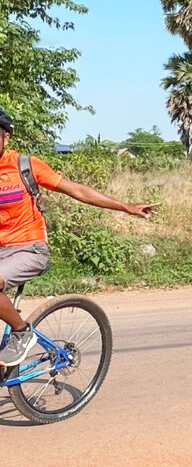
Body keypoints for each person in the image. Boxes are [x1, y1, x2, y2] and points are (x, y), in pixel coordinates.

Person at [0, 108, 159, 367]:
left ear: (5, 137)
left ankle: (21, 332)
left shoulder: (24, 165)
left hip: (29, 248)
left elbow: (76, 190)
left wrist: (126, 206)